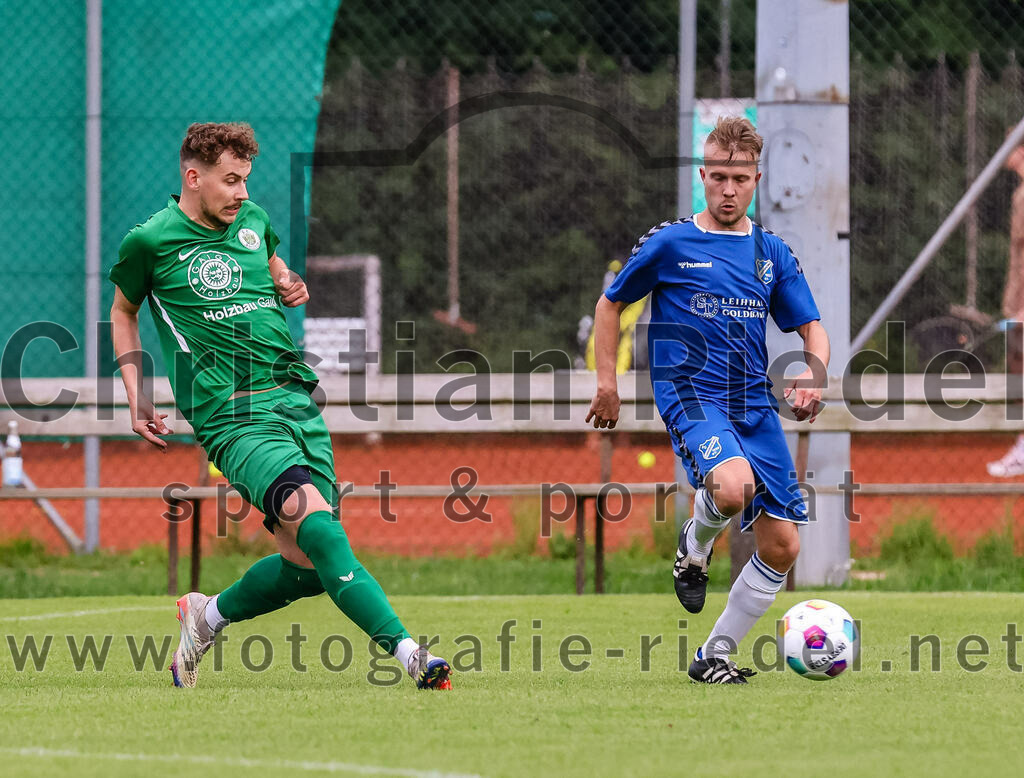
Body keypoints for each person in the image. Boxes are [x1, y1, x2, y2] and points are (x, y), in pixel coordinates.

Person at [108, 122, 451, 690]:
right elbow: (123, 312)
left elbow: (274, 272)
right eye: (230, 180)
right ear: (193, 178)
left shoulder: (253, 221)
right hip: (231, 416)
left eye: (245, 180)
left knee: (308, 568)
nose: (241, 192)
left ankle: (206, 615)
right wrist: (136, 391)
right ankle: (410, 653)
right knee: (320, 526)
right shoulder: (149, 241)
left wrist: (288, 280)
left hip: (294, 401)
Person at [585, 116, 828, 684]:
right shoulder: (670, 242)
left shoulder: (771, 253)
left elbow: (812, 329)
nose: (727, 189)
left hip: (753, 405)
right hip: (691, 395)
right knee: (733, 486)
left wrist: (814, 373)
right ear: (702, 176)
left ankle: (713, 655)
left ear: (756, 180)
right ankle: (695, 545)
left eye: (739, 179)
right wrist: (607, 383)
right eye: (717, 177)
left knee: (784, 545)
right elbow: (608, 304)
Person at [986, 137, 1024, 477]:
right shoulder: (1019, 194)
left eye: (1009, 146)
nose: (1004, 153)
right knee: (1017, 373)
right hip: (1018, 305)